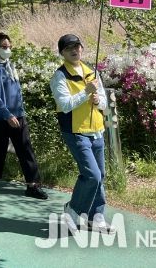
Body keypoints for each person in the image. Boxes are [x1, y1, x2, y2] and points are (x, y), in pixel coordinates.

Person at [51, 34, 114, 234]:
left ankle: (97, 217)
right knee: (92, 175)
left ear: (82, 48)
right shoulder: (60, 76)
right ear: (62, 53)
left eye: (77, 46)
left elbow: (103, 102)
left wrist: (97, 100)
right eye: (69, 48)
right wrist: (86, 92)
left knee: (100, 175)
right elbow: (65, 105)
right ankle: (72, 209)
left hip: (96, 130)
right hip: (75, 132)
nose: (74, 50)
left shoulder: (91, 72)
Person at [0, 32, 48, 200]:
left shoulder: (10, 65)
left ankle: (33, 185)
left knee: (25, 148)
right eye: (4, 47)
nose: (8, 49)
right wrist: (7, 114)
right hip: (0, 117)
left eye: (9, 46)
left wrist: (19, 110)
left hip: (18, 114)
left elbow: (16, 90)